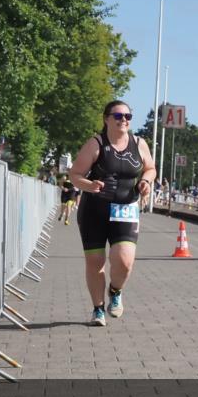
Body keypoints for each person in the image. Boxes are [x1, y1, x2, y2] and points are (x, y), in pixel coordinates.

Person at [69, 100, 155, 326]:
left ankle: (115, 291)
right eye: (118, 116)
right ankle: (98, 309)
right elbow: (75, 175)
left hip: (125, 209)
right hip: (94, 211)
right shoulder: (96, 144)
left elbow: (150, 168)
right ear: (106, 119)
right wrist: (89, 185)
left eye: (128, 116)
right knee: (95, 261)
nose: (123, 120)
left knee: (124, 260)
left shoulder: (139, 143)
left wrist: (146, 181)